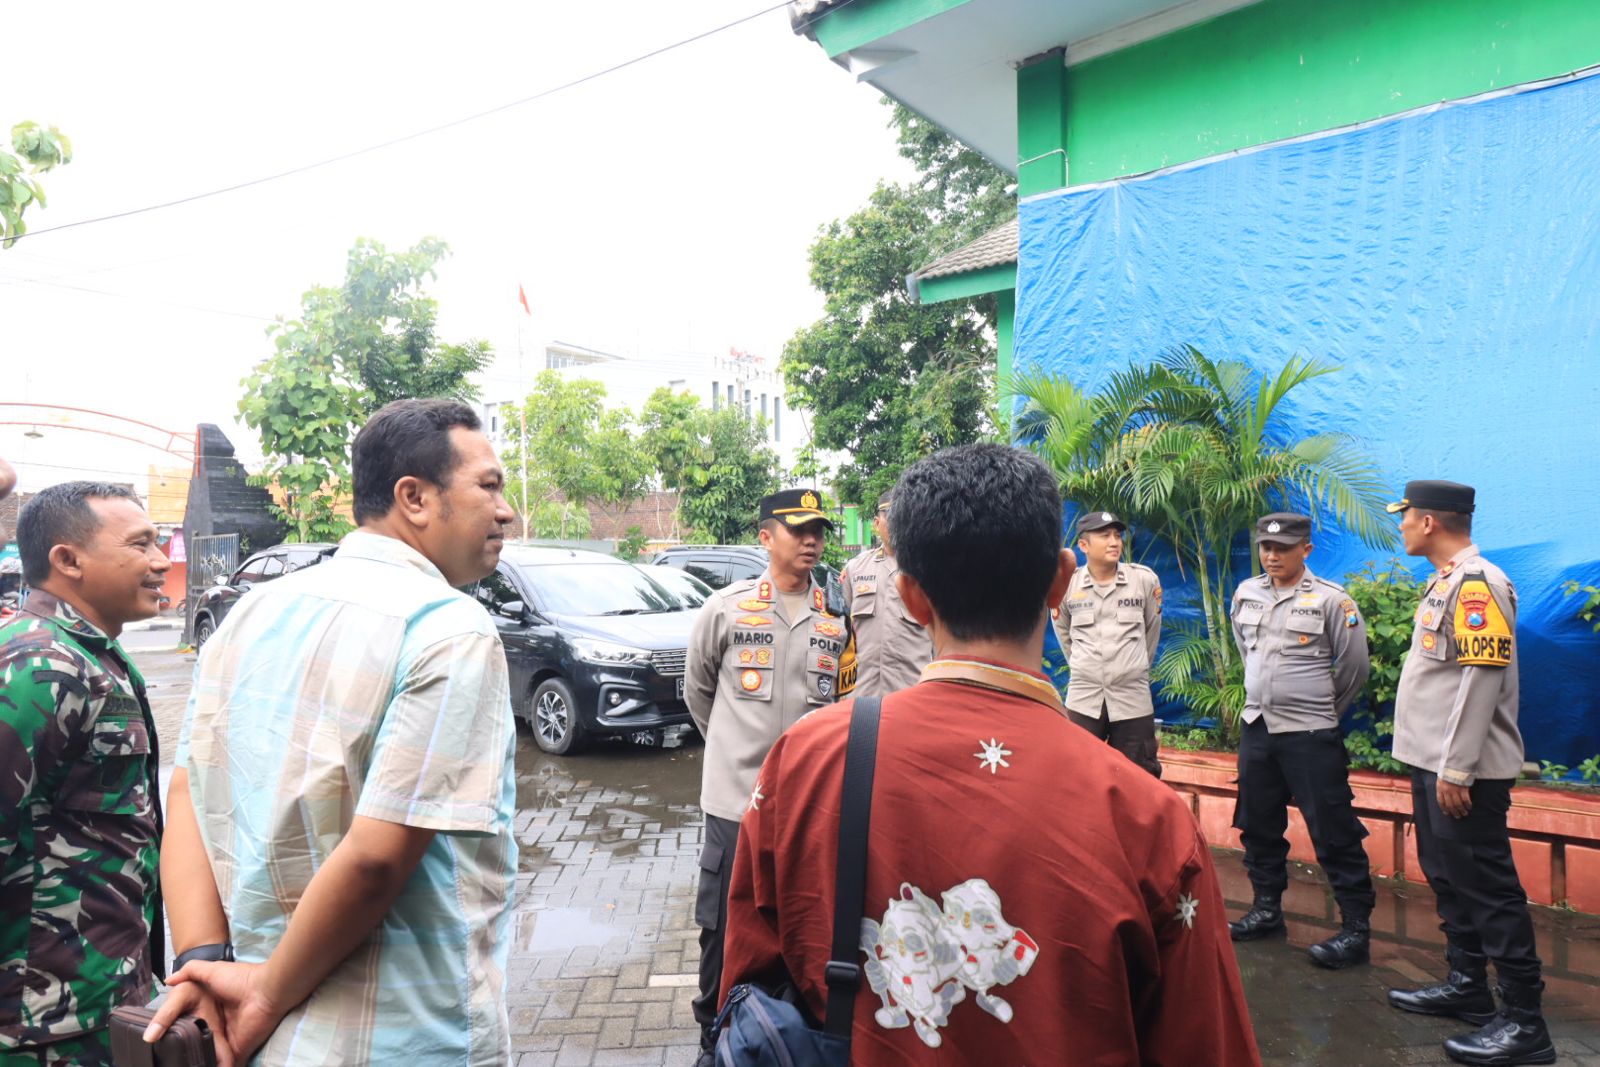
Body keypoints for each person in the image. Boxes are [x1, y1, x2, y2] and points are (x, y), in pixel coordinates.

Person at [719, 445, 1259, 1064]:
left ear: (912, 598)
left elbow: (748, 994)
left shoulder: (805, 763)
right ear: (1060, 581)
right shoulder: (1147, 817)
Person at [145, 399, 520, 1066]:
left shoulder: (251, 611)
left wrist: (202, 963)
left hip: (256, 1035)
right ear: (415, 497)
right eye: (489, 485)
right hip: (403, 1036)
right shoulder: (448, 629)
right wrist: (259, 995)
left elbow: (187, 793)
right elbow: (376, 857)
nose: (506, 510)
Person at [0, 482, 176, 1065]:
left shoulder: (94, 655)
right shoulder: (37, 664)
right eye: (141, 545)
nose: (160, 562)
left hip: (100, 1001)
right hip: (39, 1026)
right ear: (67, 560)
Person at [1383, 480, 1554, 1066]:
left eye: (1405, 517)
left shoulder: (1478, 583)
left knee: (1488, 888)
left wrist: (1457, 767)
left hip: (1464, 772)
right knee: (1449, 877)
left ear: (1428, 522)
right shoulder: (1448, 580)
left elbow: (1481, 679)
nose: (1400, 526)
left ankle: (1526, 1024)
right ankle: (1469, 988)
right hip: (1436, 764)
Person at [684, 487, 843, 1063]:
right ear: (765, 536)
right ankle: (713, 1033)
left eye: (817, 531)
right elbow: (697, 691)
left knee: (799, 918)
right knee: (721, 923)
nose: (811, 540)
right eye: (798, 529)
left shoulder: (834, 619)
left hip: (805, 805)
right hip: (733, 801)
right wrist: (730, 754)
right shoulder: (727, 608)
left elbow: (840, 707)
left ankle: (780, 1028)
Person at [1225, 512, 1375, 968]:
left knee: (1333, 829)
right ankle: (1267, 910)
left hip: (1309, 732)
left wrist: (1321, 713)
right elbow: (1245, 648)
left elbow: (1354, 670)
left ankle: (1355, 930)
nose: (1271, 555)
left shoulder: (1332, 601)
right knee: (1258, 822)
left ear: (1305, 551)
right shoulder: (1247, 593)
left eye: (1282, 549)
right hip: (1258, 727)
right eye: (1265, 548)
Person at [1051, 510, 1163, 776]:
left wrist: (1130, 669)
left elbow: (1151, 633)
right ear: (1083, 546)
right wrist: (1087, 669)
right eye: (1105, 536)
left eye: (1117, 535)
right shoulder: (1067, 585)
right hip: (1084, 700)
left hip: (1132, 699)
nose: (1114, 542)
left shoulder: (1143, 581)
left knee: (1139, 778)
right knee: (1077, 775)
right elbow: (1064, 636)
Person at [841, 490, 933, 697]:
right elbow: (841, 631)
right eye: (890, 516)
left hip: (913, 694)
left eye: (903, 516)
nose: (896, 522)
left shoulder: (929, 571)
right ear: (876, 522)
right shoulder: (855, 569)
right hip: (863, 695)